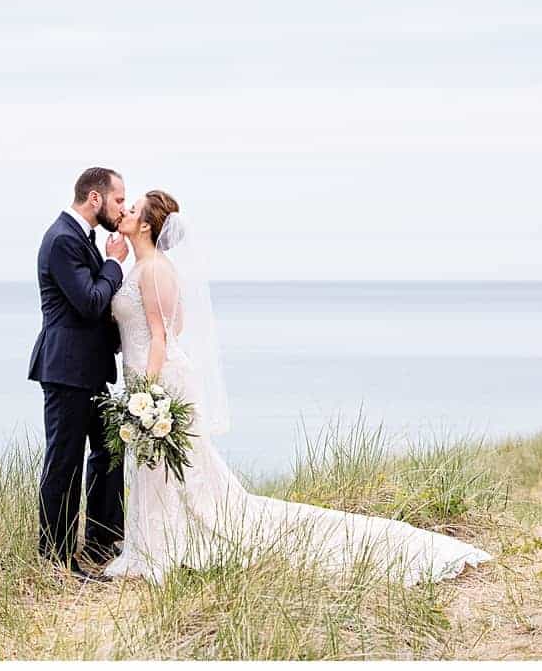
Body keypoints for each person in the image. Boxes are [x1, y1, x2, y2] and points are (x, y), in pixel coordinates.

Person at [102, 190, 493, 586]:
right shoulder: (147, 266)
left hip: (156, 383)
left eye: (132, 209)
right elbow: (177, 325)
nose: (125, 212)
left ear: (147, 225)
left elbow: (160, 336)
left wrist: (146, 394)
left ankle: (162, 548)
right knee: (165, 470)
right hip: (155, 376)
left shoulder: (152, 269)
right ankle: (158, 542)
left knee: (169, 469)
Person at [28, 166, 130, 582]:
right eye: (119, 200)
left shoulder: (79, 237)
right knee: (64, 463)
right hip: (66, 370)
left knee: (110, 451)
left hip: (90, 371)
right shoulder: (62, 241)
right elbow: (89, 302)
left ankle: (103, 539)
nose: (122, 207)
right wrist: (114, 265)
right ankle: (56, 558)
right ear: (95, 198)